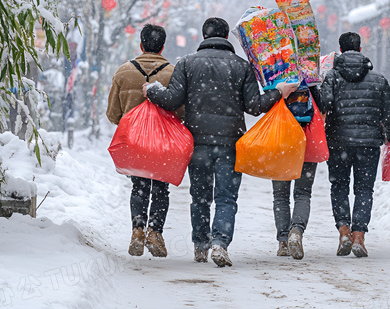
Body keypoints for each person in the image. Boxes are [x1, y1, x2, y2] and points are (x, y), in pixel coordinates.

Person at [144, 17, 298, 267]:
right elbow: (254, 106)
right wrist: (278, 92)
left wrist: (152, 90)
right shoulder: (241, 66)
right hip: (230, 142)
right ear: (227, 37)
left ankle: (201, 245)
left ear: (204, 37)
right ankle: (220, 242)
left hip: (198, 141)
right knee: (227, 198)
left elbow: (172, 100)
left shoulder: (186, 63)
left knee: (200, 196)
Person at [318, 32, 390, 258]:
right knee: (364, 189)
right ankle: (359, 236)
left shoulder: (332, 77)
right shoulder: (378, 79)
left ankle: (343, 231)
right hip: (368, 144)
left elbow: (324, 104)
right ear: (360, 49)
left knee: (339, 187)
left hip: (338, 142)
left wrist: (320, 84)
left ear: (340, 50)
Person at [107, 24, 182, 258]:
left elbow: (112, 115)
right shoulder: (173, 72)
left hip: (134, 144)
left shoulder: (123, 71)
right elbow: (181, 112)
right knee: (161, 188)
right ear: (162, 46)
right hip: (163, 145)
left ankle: (137, 229)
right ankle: (155, 232)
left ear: (141, 44)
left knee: (139, 187)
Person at [272, 87, 321, 260]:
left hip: (280, 140)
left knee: (280, 196)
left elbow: (262, 105)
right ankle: (296, 232)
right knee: (303, 194)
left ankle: (284, 241)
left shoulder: (274, 76)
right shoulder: (311, 79)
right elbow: (322, 106)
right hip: (305, 140)